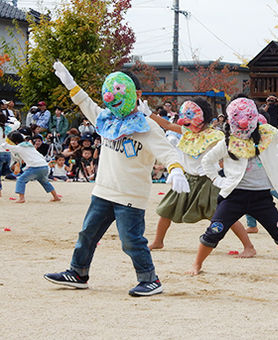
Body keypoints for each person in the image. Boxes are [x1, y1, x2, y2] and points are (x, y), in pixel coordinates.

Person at [44, 61, 190, 297]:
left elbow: (167, 151)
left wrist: (175, 169)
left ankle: (150, 279)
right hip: (103, 190)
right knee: (87, 234)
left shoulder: (147, 126)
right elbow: (87, 105)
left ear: (137, 94)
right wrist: (71, 85)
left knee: (131, 240)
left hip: (130, 195)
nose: (112, 96)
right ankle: (78, 272)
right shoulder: (107, 119)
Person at [187, 97, 278, 278]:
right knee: (214, 231)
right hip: (233, 196)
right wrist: (217, 180)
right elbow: (207, 161)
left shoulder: (267, 134)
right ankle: (197, 264)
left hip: (261, 197)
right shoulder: (228, 141)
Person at [147, 98, 256, 257]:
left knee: (223, 215)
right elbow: (168, 125)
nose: (185, 120)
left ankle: (249, 246)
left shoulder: (215, 135)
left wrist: (219, 169)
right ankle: (158, 241)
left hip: (208, 182)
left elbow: (228, 154)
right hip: (187, 179)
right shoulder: (187, 132)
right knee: (166, 209)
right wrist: (149, 114)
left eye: (190, 115)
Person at [2, 131, 60, 203]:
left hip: (35, 167)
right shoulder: (29, 144)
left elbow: (6, 146)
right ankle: (55, 197)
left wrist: (4, 141)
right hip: (44, 166)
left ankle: (21, 198)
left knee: (21, 180)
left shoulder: (19, 147)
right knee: (45, 182)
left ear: (16, 142)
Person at [0, 113, 20, 197]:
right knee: (4, 173)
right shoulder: (9, 128)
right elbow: (18, 124)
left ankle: (0, 192)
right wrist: (13, 119)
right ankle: (13, 167)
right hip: (7, 153)